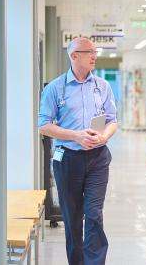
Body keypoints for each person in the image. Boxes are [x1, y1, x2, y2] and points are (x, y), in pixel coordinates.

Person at [39, 37, 117, 265]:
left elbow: (113, 120)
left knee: (94, 215)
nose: (94, 55)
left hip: (98, 158)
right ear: (74, 56)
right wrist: (76, 135)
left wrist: (103, 136)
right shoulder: (55, 88)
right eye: (89, 51)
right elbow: (44, 125)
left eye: (95, 51)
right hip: (68, 160)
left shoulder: (102, 86)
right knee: (73, 219)